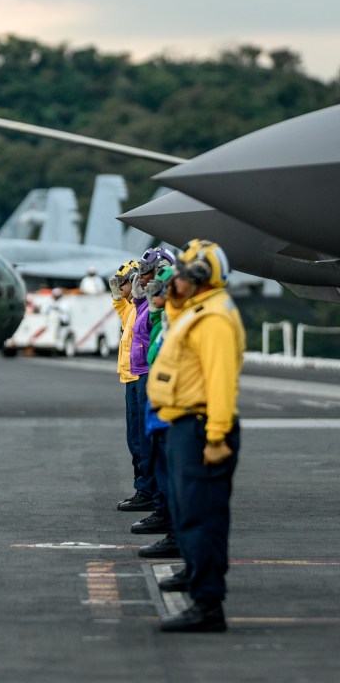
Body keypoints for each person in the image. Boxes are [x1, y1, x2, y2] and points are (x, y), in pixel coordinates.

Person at [150, 240, 244, 633]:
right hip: (186, 425)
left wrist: (216, 436)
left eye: (184, 274)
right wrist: (173, 297)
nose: (176, 279)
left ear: (201, 278)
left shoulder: (215, 320)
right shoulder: (198, 311)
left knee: (200, 517)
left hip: (202, 427)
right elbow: (174, 320)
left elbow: (220, 383)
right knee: (191, 513)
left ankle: (207, 605)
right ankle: (198, 582)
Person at [136, 266, 181, 561]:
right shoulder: (172, 316)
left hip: (180, 410)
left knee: (175, 473)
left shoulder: (201, 319)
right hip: (162, 402)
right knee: (160, 462)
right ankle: (168, 520)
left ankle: (174, 528)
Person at [111, 259, 156, 513]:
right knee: (134, 439)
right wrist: (118, 297)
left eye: (123, 284)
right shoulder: (131, 309)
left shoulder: (143, 308)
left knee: (142, 439)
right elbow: (122, 311)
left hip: (141, 376)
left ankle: (146, 490)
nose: (122, 288)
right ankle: (144, 488)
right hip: (131, 376)